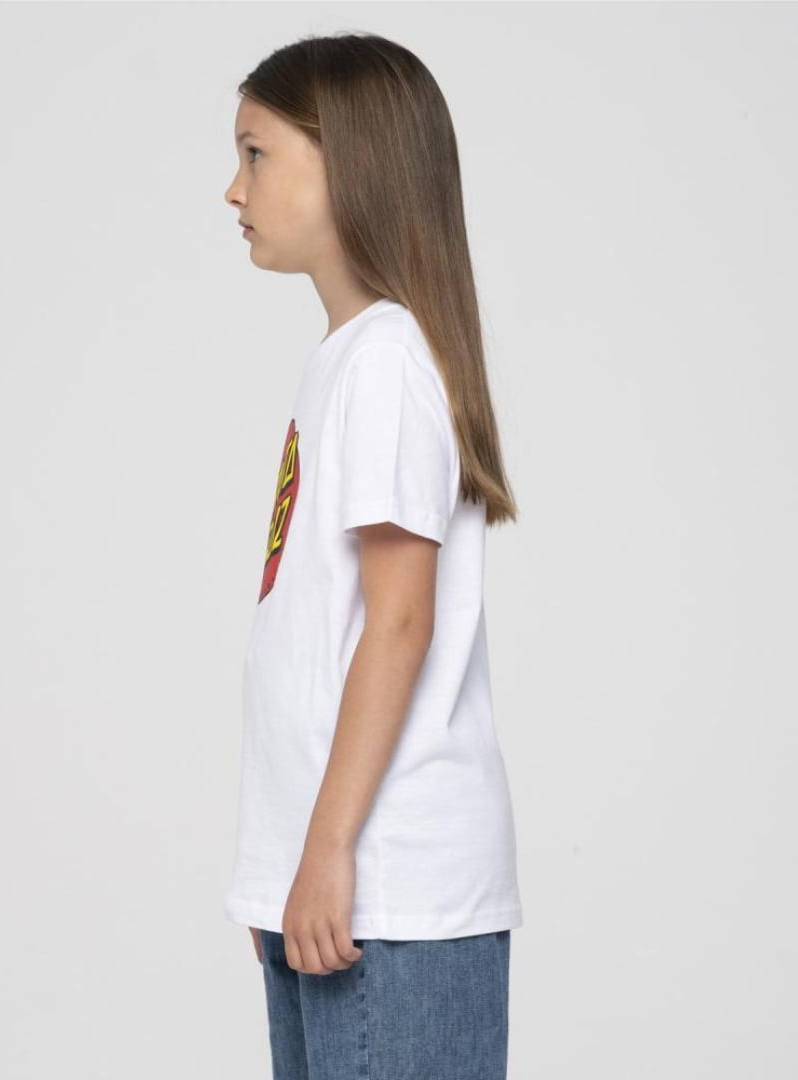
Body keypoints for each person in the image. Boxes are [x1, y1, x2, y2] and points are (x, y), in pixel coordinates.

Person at [222, 31, 523, 1080]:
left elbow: (399, 618)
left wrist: (324, 851)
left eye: (256, 154)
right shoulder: (350, 359)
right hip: (341, 882)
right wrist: (284, 862)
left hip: (389, 890)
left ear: (345, 161)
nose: (233, 189)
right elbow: (317, 630)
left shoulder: (388, 359)